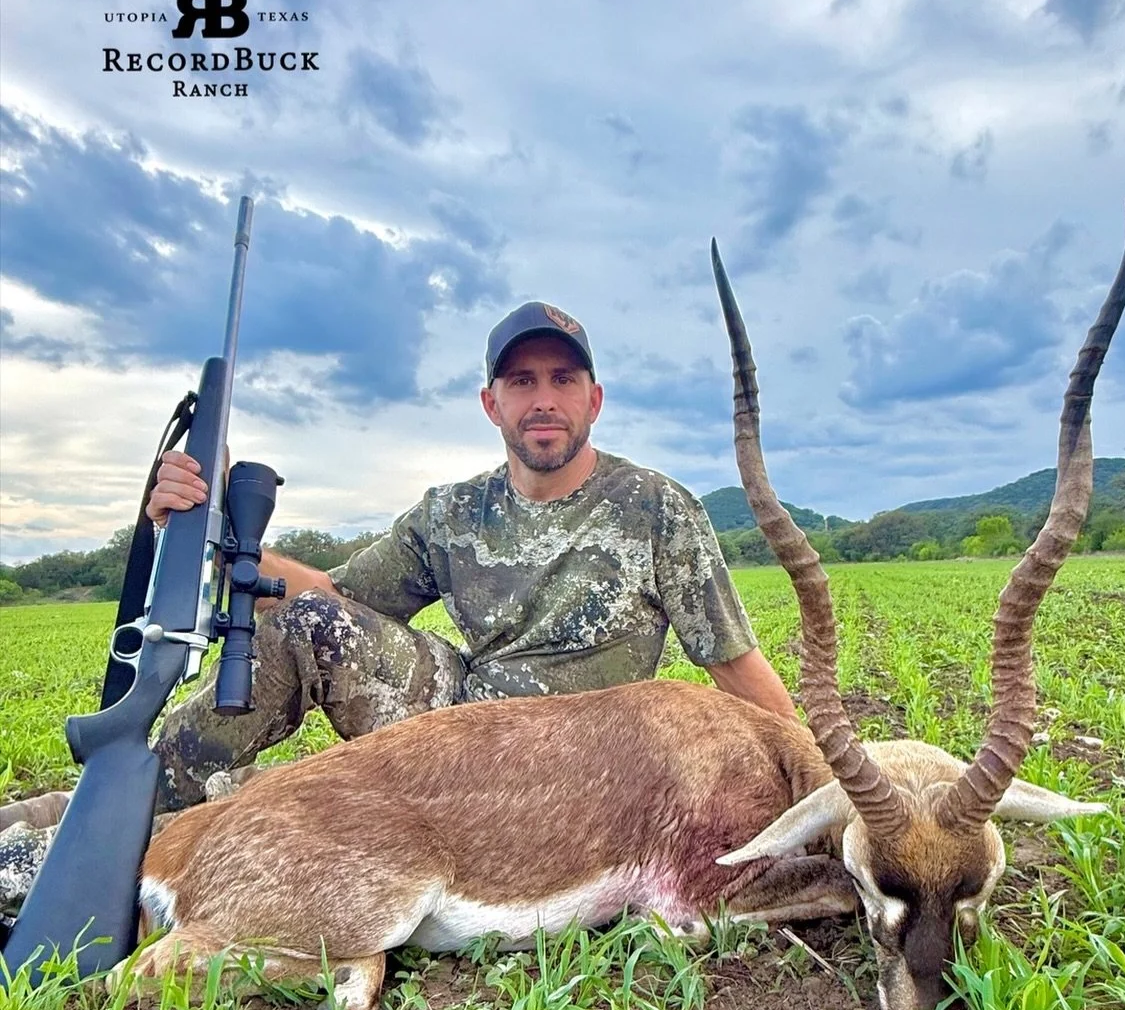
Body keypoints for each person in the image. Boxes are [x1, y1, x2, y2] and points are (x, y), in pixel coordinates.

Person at [1, 299, 795, 906]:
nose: (543, 399)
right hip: (461, 731)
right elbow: (329, 601)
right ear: (491, 403)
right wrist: (212, 535)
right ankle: (114, 800)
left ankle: (112, 835)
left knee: (297, 809)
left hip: (584, 768)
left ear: (595, 399)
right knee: (309, 626)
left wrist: (823, 777)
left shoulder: (658, 509)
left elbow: (735, 663)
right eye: (522, 381)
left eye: (563, 380)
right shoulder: (451, 513)